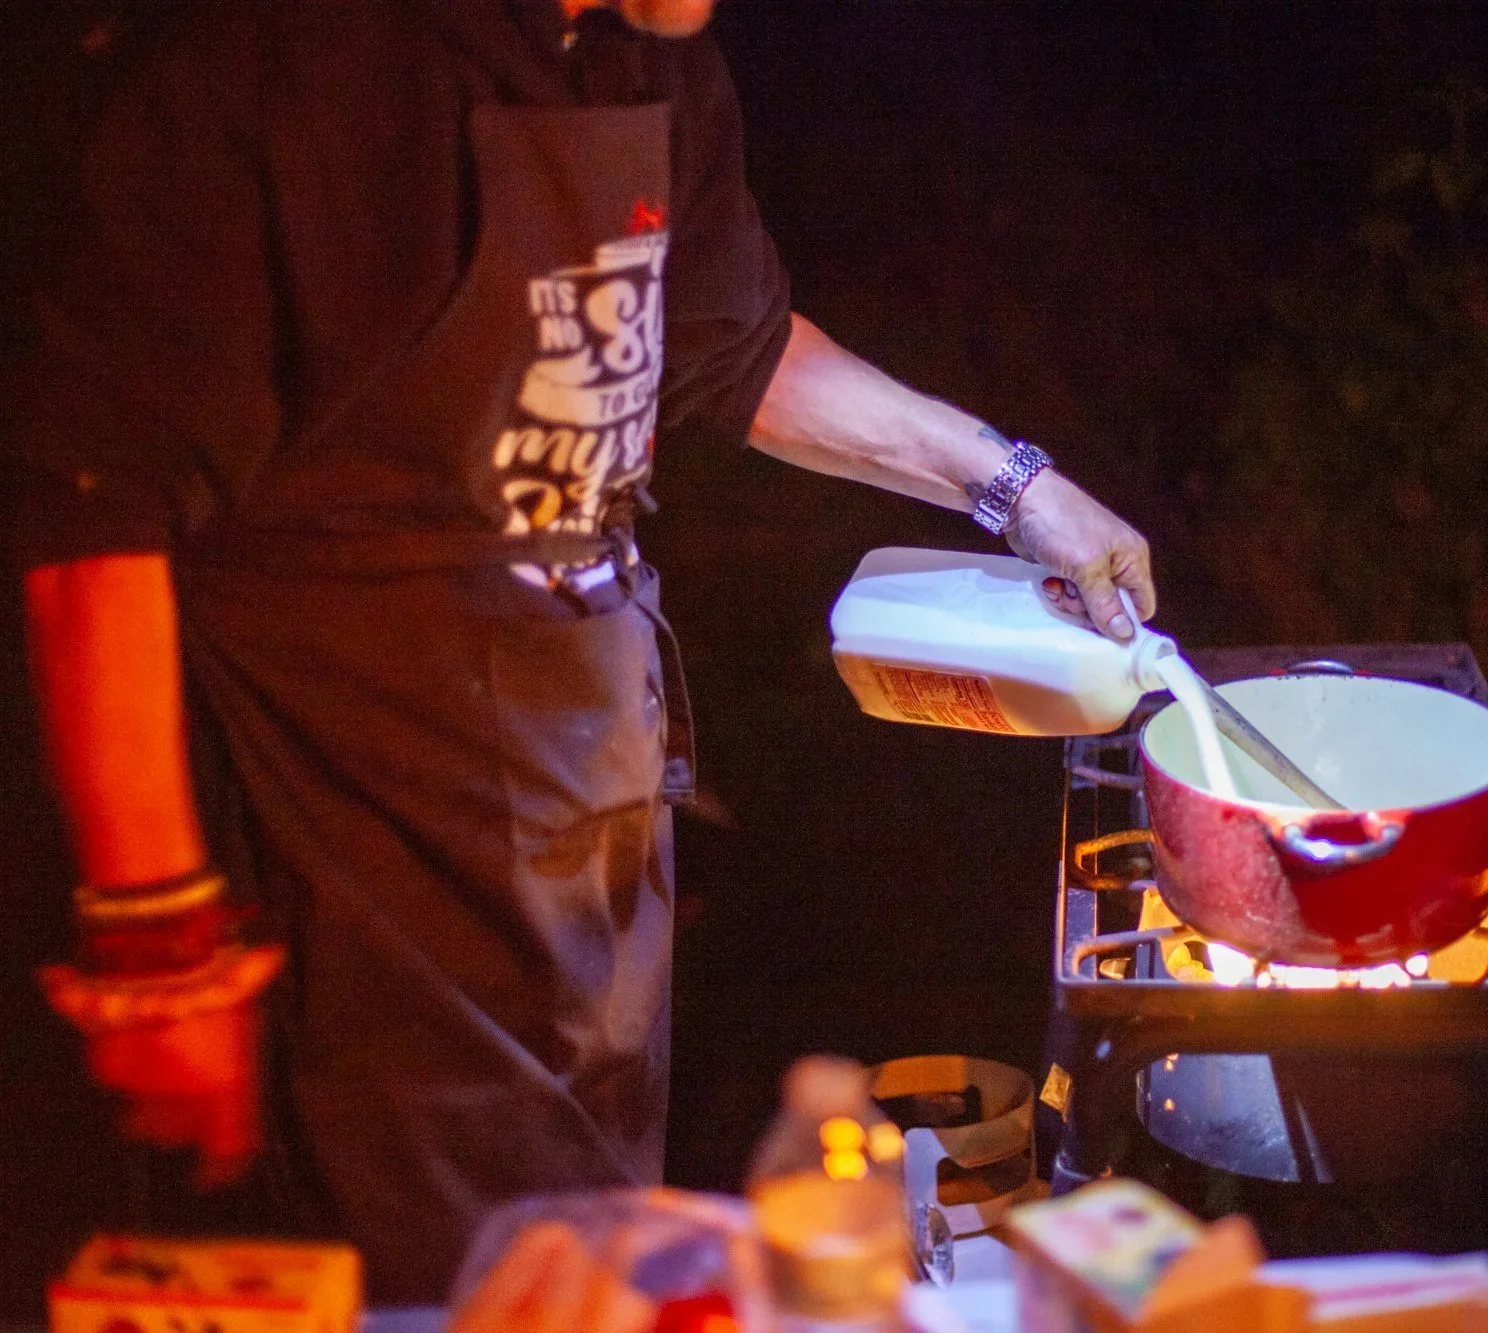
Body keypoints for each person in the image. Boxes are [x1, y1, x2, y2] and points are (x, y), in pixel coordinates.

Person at [15, 0, 1156, 1302]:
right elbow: (95, 519)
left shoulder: (647, 56)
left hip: (585, 781)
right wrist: (161, 946)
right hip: (364, 813)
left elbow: (736, 352)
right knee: (461, 1284)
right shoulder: (277, 63)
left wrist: (1011, 483)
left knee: (592, 1258)